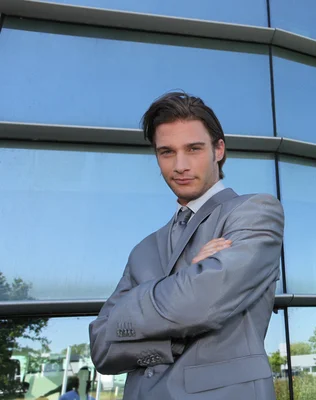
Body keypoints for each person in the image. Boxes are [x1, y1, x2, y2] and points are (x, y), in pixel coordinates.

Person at [89, 92, 284, 399]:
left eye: (193, 149)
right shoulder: (144, 248)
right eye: (166, 152)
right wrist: (184, 286)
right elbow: (101, 348)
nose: (180, 165)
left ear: (218, 150)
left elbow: (200, 304)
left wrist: (129, 312)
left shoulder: (255, 212)